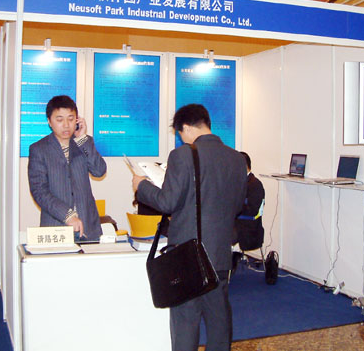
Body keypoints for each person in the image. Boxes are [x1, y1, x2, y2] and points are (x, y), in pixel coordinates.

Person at [132, 103, 247, 351]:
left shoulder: (182, 155)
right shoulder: (237, 159)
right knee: (218, 321)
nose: (181, 138)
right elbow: (238, 205)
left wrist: (141, 187)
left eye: (179, 133)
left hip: (188, 255)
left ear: (185, 127)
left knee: (185, 323)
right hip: (220, 253)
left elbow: (167, 202)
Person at [28, 95, 106, 242]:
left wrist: (82, 139)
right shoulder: (39, 149)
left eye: (71, 119)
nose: (66, 125)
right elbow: (39, 191)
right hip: (56, 226)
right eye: (59, 120)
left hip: (88, 227)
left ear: (77, 120)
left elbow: (99, 170)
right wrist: (67, 215)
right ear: (49, 121)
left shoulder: (83, 142)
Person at [234, 151, 265, 251]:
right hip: (237, 222)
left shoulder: (255, 184)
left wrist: (233, 208)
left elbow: (252, 210)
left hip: (247, 225)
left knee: (220, 233)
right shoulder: (238, 181)